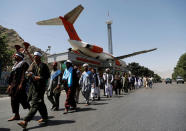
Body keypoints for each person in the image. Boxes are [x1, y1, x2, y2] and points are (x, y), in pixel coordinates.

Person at [17, 51, 50, 129]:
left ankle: (25, 121)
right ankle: (45, 117)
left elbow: (47, 76)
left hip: (40, 88)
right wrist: (30, 75)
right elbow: (27, 73)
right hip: (33, 87)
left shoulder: (43, 66)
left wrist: (39, 78)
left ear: (39, 57)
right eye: (34, 56)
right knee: (40, 103)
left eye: (36, 56)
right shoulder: (33, 65)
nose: (34, 57)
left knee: (35, 104)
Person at [7, 52, 30, 121]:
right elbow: (12, 76)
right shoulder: (15, 65)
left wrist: (21, 84)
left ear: (20, 57)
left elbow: (24, 74)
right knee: (14, 100)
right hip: (14, 85)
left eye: (16, 56)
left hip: (20, 85)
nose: (14, 56)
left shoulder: (24, 64)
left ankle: (32, 112)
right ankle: (16, 115)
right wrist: (9, 85)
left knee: (24, 100)